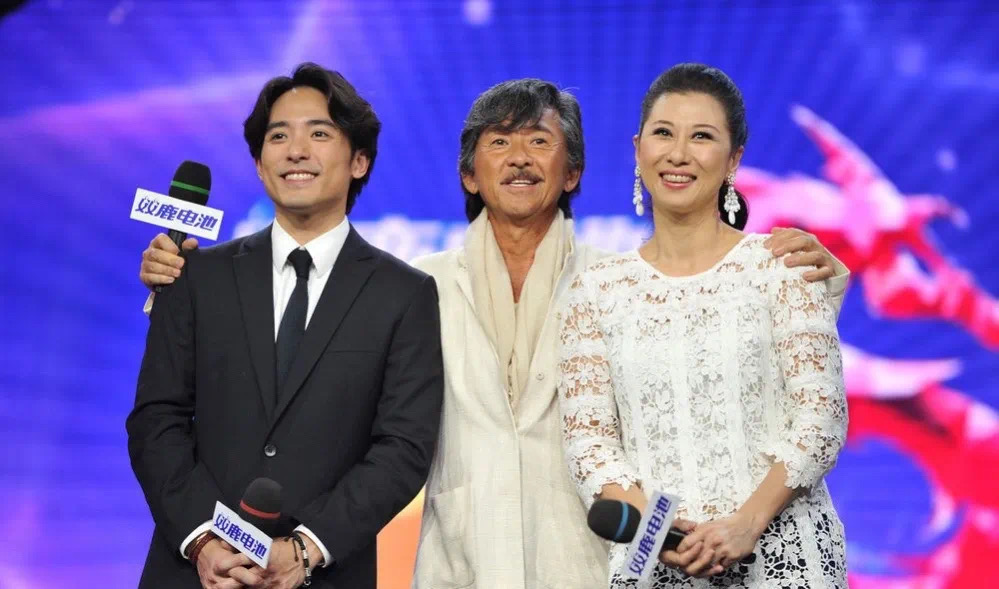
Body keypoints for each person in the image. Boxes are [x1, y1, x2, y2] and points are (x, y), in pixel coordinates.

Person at [138, 78, 848, 588]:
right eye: (498, 141)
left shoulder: (619, 281)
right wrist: (170, 288)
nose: (518, 157)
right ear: (469, 175)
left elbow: (723, 337)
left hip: (591, 564)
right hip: (460, 563)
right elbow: (313, 374)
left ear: (572, 172)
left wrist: (824, 275)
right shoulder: (412, 285)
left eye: (539, 140)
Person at [127, 63, 443, 589]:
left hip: (325, 574)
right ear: (258, 163)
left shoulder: (404, 294)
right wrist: (204, 541)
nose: (296, 151)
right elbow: (156, 420)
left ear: (359, 160)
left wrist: (305, 549)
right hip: (192, 574)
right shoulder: (195, 277)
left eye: (319, 133)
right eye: (278, 136)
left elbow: (403, 446)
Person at [557, 63, 849, 588]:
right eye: (663, 133)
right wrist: (660, 534)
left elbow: (821, 418)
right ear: (638, 149)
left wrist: (746, 524)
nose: (678, 154)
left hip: (783, 560)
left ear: (734, 158)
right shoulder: (596, 290)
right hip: (658, 565)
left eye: (702, 137)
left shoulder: (782, 265)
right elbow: (590, 443)